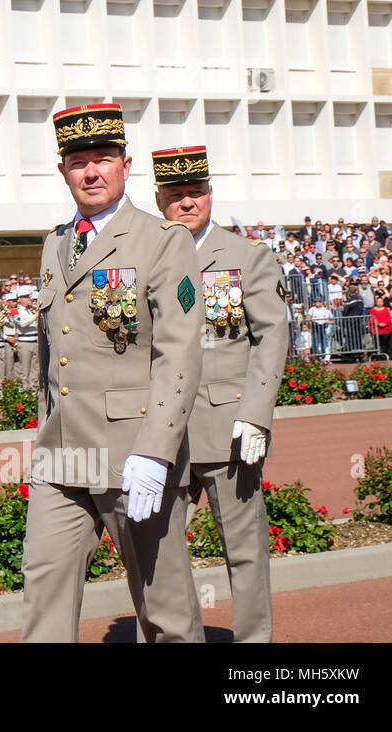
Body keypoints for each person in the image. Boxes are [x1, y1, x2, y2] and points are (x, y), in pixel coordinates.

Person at [22, 103, 204, 643]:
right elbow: (52, 353)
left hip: (135, 455)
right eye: (79, 161)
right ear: (63, 171)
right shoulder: (55, 243)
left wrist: (156, 451)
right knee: (44, 592)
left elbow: (180, 353)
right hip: (64, 453)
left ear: (126, 166)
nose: (91, 171)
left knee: (164, 608)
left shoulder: (162, 240)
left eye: (103, 158)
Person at [152, 145, 288, 643]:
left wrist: (256, 415)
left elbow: (272, 336)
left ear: (210, 194)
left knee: (245, 548)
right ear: (160, 198)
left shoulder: (245, 256)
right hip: (160, 430)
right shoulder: (146, 254)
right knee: (160, 552)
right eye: (176, 195)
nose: (187, 203)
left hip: (230, 428)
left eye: (196, 193)